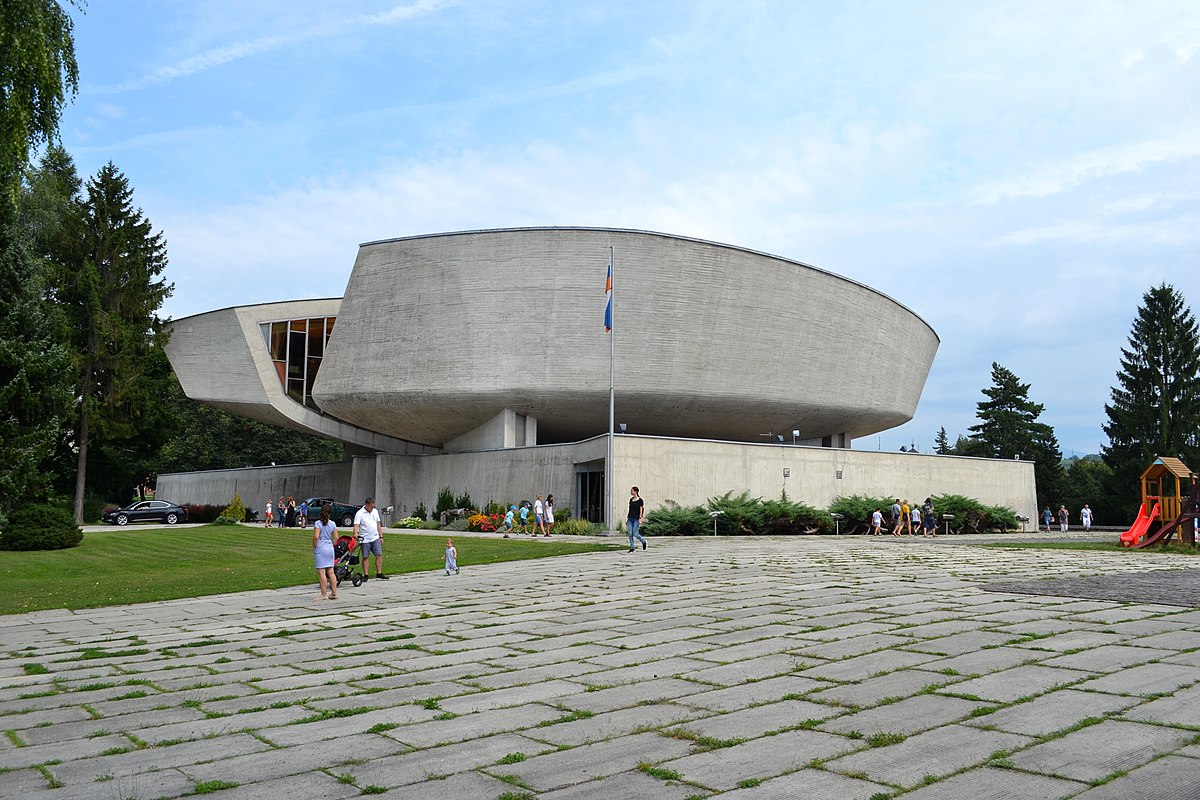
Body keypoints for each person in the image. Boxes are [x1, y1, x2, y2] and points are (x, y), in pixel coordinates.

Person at [354, 497, 387, 580]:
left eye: (373, 506)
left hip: (375, 537)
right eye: (371, 506)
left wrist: (381, 536)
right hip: (365, 539)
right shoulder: (360, 513)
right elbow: (356, 525)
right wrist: (355, 534)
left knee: (378, 555)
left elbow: (378, 524)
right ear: (366, 505)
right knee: (365, 557)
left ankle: (379, 573)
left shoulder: (375, 512)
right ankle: (366, 575)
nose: (372, 508)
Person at [313, 504, 338, 600]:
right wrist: (331, 544)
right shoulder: (333, 524)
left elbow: (316, 537)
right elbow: (336, 538)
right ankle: (334, 592)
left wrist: (314, 547)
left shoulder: (318, 523)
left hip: (321, 547)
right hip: (329, 547)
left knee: (322, 572)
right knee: (331, 572)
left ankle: (324, 594)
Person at [627, 486, 647, 552]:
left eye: (632, 491)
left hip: (636, 518)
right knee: (630, 533)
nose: (631, 492)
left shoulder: (640, 500)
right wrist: (627, 519)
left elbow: (641, 509)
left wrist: (640, 518)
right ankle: (632, 547)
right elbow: (630, 509)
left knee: (635, 533)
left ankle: (643, 541)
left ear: (635, 492)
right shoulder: (631, 500)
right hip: (630, 518)